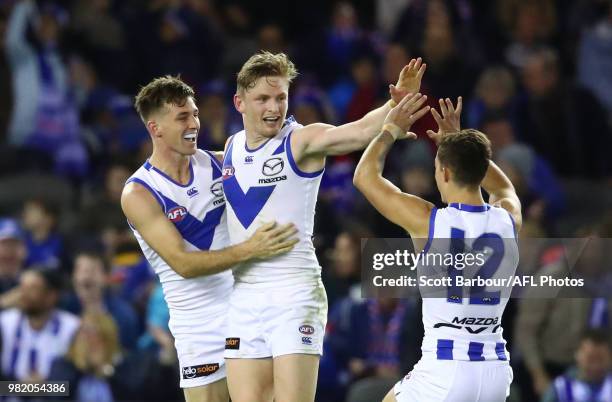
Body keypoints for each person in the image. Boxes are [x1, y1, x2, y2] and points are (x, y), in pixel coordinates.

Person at [222, 51, 425, 402]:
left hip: (294, 293)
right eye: (263, 99)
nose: (274, 107)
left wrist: (394, 106)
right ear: (240, 102)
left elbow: (357, 131)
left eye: (281, 97)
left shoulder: (301, 140)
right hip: (243, 295)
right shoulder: (230, 147)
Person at [120, 76, 299, 402]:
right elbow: (184, 264)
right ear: (155, 128)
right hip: (198, 329)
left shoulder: (219, 163)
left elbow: (274, 162)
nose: (194, 124)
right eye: (182, 117)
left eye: (195, 114)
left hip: (247, 313)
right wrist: (251, 248)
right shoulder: (139, 193)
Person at [353, 95, 521, 401]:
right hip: (495, 369)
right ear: (480, 170)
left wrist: (390, 129)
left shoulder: (428, 221)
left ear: (444, 172)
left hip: (446, 367)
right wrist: (459, 144)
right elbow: (504, 187)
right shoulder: (508, 217)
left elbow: (364, 177)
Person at [0, 267, 80, 382]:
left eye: (32, 288)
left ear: (51, 296)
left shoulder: (72, 327)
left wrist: (41, 389)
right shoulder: (4, 323)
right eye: (22, 287)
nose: (23, 294)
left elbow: (70, 386)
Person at [542, 329, 612, 402]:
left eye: (600, 359)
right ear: (578, 355)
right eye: (590, 359)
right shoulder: (560, 389)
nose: (595, 366)